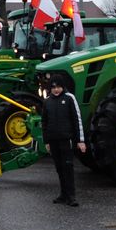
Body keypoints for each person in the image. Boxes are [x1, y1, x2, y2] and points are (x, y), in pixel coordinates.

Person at [41, 74, 86, 207]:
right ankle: (63, 194)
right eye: (53, 87)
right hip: (53, 141)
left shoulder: (69, 98)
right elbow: (44, 123)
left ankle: (71, 196)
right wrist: (46, 141)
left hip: (66, 140)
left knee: (68, 167)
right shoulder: (47, 101)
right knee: (59, 168)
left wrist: (80, 140)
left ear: (63, 87)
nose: (56, 90)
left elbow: (77, 120)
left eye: (59, 87)